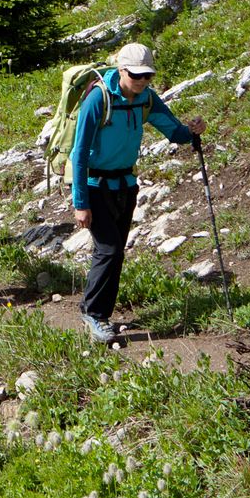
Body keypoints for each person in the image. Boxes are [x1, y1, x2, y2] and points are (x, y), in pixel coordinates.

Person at [70, 40, 204, 344]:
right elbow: (79, 153)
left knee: (114, 253)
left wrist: (192, 130)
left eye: (147, 75)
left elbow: (175, 132)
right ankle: (95, 316)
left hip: (125, 185)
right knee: (109, 249)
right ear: (121, 70)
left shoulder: (146, 100)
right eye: (136, 75)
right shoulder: (98, 99)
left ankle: (93, 309)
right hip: (94, 184)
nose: (142, 81)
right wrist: (80, 203)